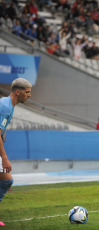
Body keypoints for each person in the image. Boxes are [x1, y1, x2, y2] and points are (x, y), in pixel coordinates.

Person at [0, 78, 32, 226]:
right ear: (18, 92)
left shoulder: (8, 105)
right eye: (27, 92)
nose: (30, 95)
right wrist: (4, 158)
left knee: (6, 181)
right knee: (6, 180)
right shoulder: (5, 106)